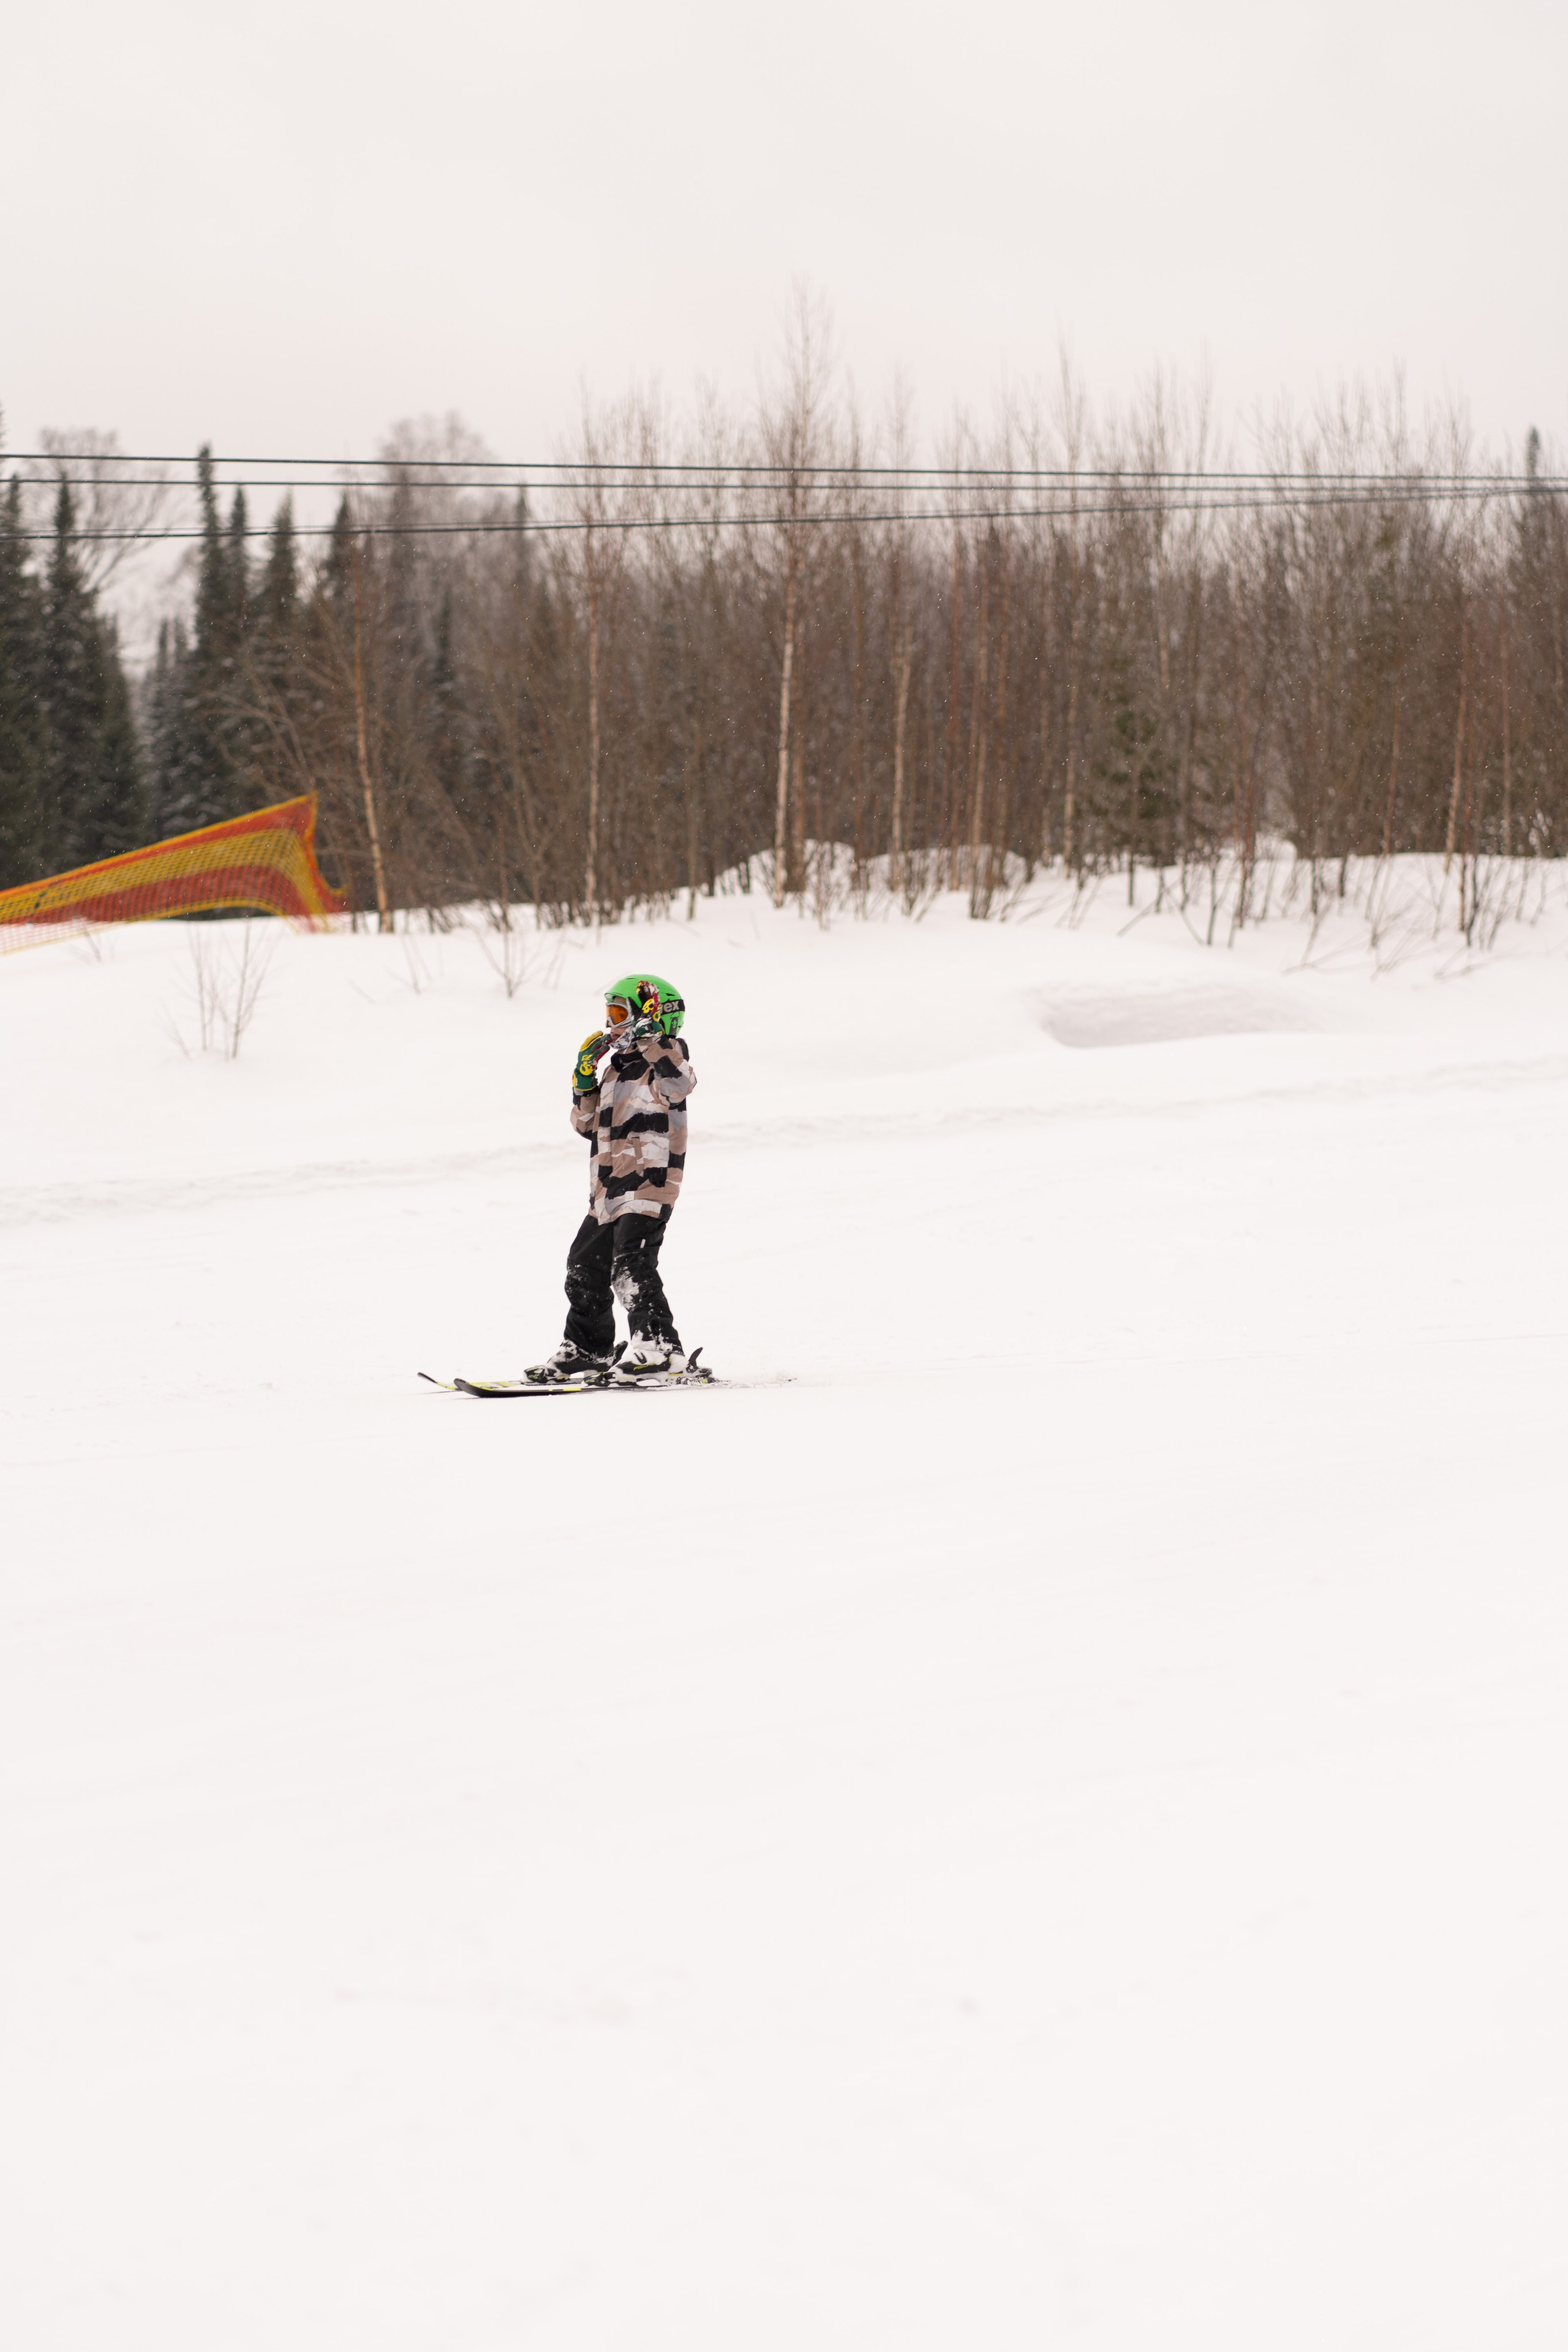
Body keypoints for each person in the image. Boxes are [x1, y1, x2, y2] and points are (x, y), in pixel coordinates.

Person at [526, 973, 696, 1383]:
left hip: (648, 1185)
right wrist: (583, 1079)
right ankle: (588, 1350)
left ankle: (659, 1351)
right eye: (610, 1014)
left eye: (620, 1014)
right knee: (583, 1266)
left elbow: (680, 1085)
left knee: (631, 1267)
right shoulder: (616, 1069)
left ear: (649, 1015)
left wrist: (651, 1041)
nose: (611, 1025)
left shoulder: (667, 1055)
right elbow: (588, 1126)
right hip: (607, 1190)